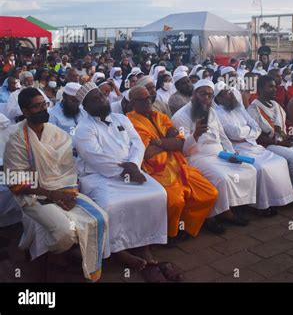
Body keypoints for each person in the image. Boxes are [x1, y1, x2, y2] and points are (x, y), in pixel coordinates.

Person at [72, 82, 178, 282]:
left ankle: (145, 248)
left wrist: (133, 165)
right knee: (110, 206)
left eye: (101, 96)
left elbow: (137, 143)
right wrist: (126, 170)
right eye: (94, 99)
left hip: (132, 170)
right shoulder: (83, 129)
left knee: (157, 194)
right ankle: (119, 251)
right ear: (85, 107)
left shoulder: (120, 118)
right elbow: (98, 160)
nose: (101, 100)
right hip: (98, 178)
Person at [4, 87, 109, 282]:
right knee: (64, 232)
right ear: (25, 112)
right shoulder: (17, 139)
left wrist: (68, 193)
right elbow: (14, 180)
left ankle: (69, 257)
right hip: (32, 195)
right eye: (36, 107)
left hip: (63, 189)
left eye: (44, 105)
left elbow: (68, 169)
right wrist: (52, 195)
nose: (43, 110)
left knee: (100, 218)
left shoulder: (56, 133)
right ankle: (53, 256)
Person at [127, 86, 218, 241]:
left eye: (150, 97)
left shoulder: (160, 116)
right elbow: (147, 152)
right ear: (132, 103)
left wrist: (159, 142)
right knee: (175, 201)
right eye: (142, 99)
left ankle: (186, 226)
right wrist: (169, 142)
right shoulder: (130, 121)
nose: (148, 101)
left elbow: (181, 141)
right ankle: (170, 233)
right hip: (155, 170)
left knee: (210, 193)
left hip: (179, 164)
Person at [172, 79, 258, 234]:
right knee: (222, 178)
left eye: (210, 95)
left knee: (249, 169)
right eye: (203, 94)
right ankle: (216, 215)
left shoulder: (211, 111)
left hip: (219, 154)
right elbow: (182, 148)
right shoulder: (181, 116)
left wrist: (233, 153)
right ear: (194, 94)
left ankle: (232, 206)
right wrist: (196, 135)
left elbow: (223, 136)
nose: (207, 98)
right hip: (196, 157)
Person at [214, 82, 293, 215]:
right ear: (219, 98)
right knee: (261, 168)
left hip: (253, 145)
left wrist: (245, 133)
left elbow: (256, 128)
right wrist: (247, 132)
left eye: (229, 91)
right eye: (225, 93)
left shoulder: (239, 108)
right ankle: (262, 206)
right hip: (237, 149)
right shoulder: (218, 113)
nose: (230, 94)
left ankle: (281, 199)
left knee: (280, 161)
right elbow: (234, 134)